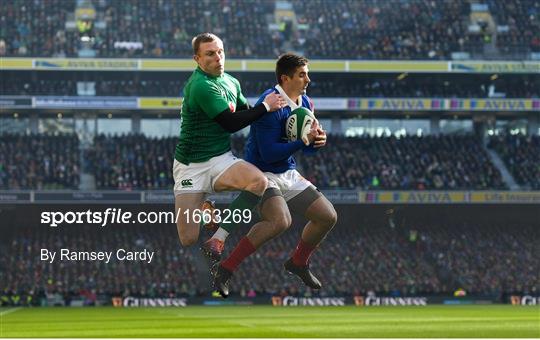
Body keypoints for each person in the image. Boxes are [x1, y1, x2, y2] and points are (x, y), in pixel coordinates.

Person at [212, 53, 338, 297]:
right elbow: (269, 154)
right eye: (302, 75)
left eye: (307, 74)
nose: (307, 79)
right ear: (285, 78)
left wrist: (317, 141)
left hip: (286, 171)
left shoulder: (306, 103)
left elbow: (308, 147)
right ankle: (225, 270)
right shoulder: (270, 104)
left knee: (327, 216)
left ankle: (298, 263)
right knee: (280, 221)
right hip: (260, 173)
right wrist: (304, 141)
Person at [173, 33, 286, 267]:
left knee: (258, 181)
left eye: (220, 52)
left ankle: (218, 238)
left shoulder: (231, 82)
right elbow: (231, 122)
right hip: (191, 167)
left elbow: (247, 112)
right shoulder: (200, 86)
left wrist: (283, 120)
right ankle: (205, 206)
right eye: (210, 54)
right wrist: (266, 106)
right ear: (197, 58)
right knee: (188, 238)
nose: (218, 58)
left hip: (220, 158)